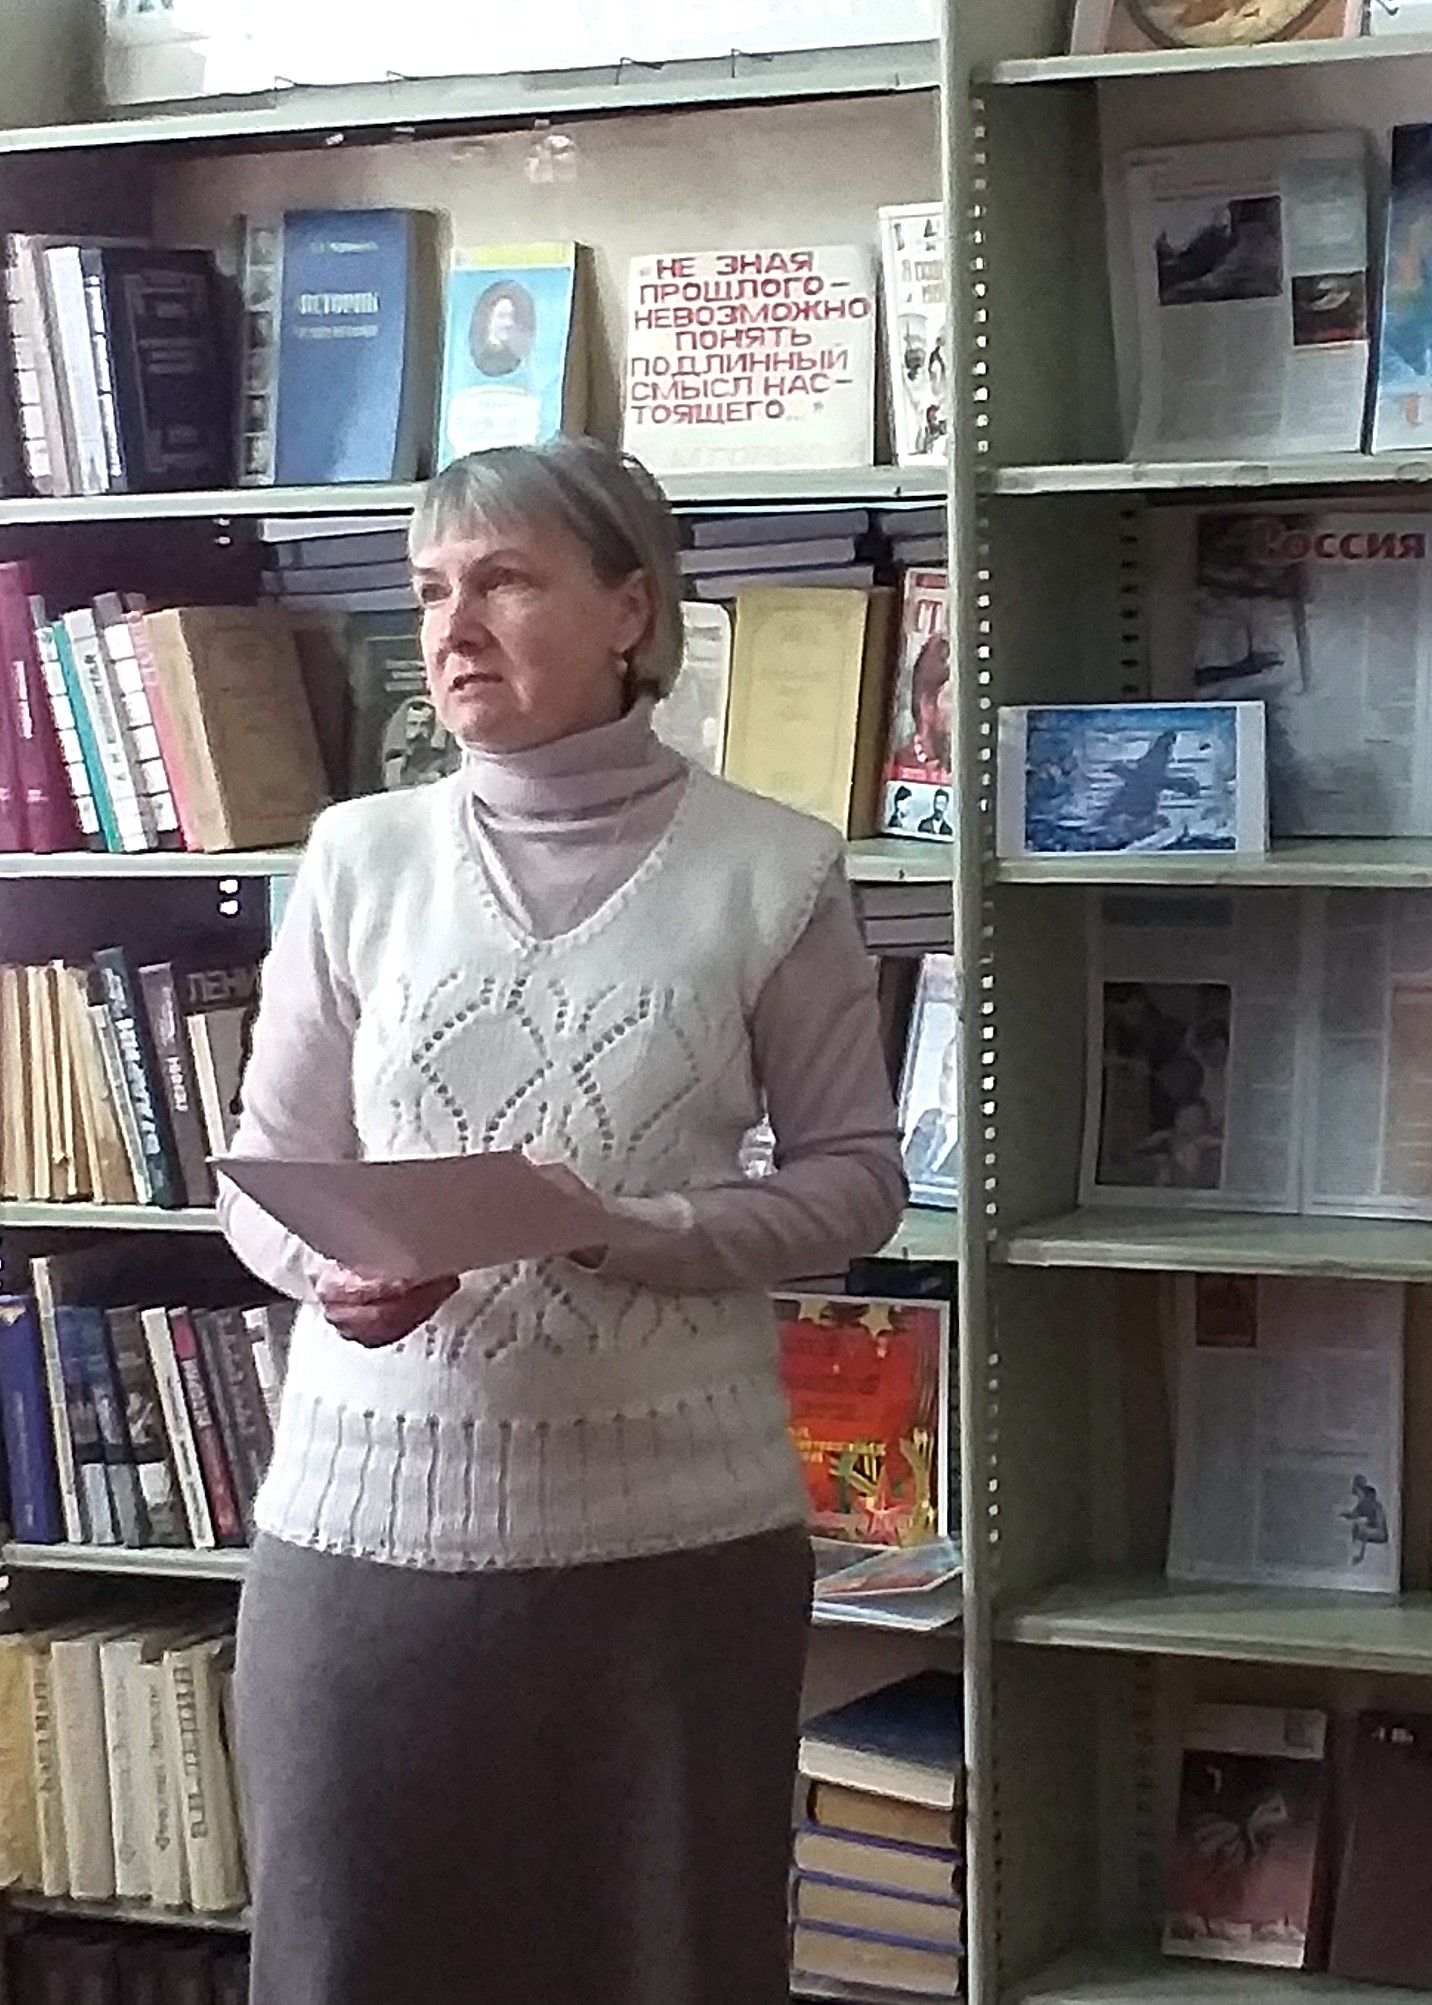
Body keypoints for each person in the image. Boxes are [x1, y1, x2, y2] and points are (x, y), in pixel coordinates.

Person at [216, 435, 908, 2005]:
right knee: (351, 1961)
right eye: (428, 590)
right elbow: (264, 1172)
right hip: (365, 1536)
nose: (453, 628)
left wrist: (624, 1227)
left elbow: (855, 1181)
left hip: (672, 1553)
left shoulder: (772, 869)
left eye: (505, 581)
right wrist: (332, 1267)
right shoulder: (356, 859)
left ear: (629, 609)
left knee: (662, 1961)